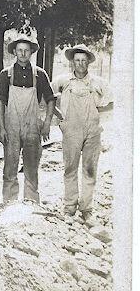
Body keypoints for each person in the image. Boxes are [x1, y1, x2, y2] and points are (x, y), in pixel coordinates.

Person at [52, 44, 113, 222]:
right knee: (70, 168)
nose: (80, 64)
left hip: (92, 131)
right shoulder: (62, 81)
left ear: (88, 63)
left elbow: (113, 101)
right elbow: (47, 97)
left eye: (83, 61)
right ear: (72, 62)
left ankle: (87, 208)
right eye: (77, 60)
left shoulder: (98, 82)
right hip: (70, 130)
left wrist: (97, 113)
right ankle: (69, 207)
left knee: (89, 170)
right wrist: (59, 116)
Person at [0, 35, 57, 204]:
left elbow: (51, 99)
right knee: (10, 165)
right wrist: (2, 128)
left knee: (31, 164)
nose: (23, 53)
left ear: (31, 52)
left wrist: (46, 124)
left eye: (26, 50)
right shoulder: (5, 74)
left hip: (32, 126)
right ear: (14, 52)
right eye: (19, 50)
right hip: (12, 125)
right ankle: (9, 202)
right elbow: (0, 101)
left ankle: (31, 202)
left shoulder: (40, 74)